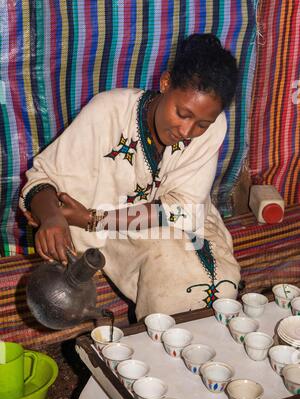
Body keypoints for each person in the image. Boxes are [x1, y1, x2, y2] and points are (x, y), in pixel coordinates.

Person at [20, 33, 241, 321]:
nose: (187, 132)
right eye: (182, 113)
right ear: (165, 83)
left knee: (219, 286)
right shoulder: (108, 112)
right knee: (171, 275)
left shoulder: (214, 126)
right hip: (114, 228)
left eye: (201, 123)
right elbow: (43, 179)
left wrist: (92, 218)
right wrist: (52, 218)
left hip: (180, 217)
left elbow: (182, 209)